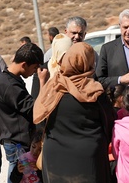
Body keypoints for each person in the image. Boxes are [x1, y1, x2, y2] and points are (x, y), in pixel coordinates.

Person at [33, 42, 115, 183]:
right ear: (88, 63)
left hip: (55, 159)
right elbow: (110, 121)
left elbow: (40, 118)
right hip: (88, 160)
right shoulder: (94, 92)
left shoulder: (53, 87)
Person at [0, 43, 47, 183]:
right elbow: (35, 109)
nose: (35, 72)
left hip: (15, 139)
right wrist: (42, 82)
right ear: (24, 64)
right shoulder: (10, 85)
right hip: (17, 143)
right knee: (18, 176)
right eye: (34, 68)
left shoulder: (9, 80)